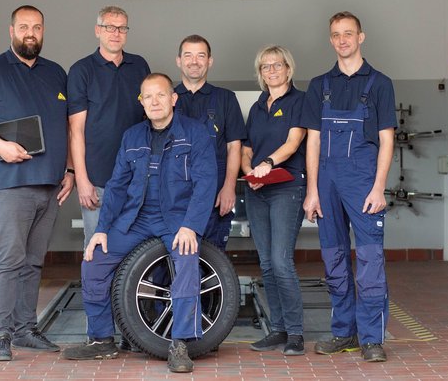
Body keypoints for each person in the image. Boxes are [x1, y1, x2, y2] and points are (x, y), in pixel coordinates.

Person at [61, 73, 217, 374]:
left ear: (173, 99)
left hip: (177, 219)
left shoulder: (195, 133)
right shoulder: (132, 136)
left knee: (186, 261)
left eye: (161, 95)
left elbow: (206, 183)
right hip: (136, 218)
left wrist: (191, 226)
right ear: (141, 102)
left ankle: (181, 343)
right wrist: (102, 229)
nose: (155, 101)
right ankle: (101, 340)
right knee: (94, 260)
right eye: (148, 96)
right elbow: (117, 186)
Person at [0, 5, 74, 361]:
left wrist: (68, 171)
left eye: (37, 27)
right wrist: (1, 147)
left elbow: (69, 128)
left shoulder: (56, 73)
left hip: (50, 186)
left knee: (34, 261)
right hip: (11, 185)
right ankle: (1, 335)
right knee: (9, 260)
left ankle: (26, 330)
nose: (31, 33)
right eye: (24, 27)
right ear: (11, 31)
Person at [301, 11, 397, 362]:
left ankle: (371, 338)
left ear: (361, 37)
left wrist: (379, 187)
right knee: (334, 259)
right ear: (331, 39)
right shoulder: (318, 85)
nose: (342, 39)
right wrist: (312, 190)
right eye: (336, 34)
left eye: (348, 33)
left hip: (362, 182)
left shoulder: (380, 83)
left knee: (370, 261)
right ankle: (343, 333)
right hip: (325, 182)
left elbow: (387, 140)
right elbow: (312, 140)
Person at [67, 6, 150, 352]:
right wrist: (82, 179)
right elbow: (76, 129)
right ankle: (100, 333)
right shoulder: (82, 71)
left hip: (138, 180)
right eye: (109, 27)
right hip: (99, 179)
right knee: (98, 259)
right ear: (97, 30)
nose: (115, 33)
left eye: (121, 28)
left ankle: (133, 332)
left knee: (135, 257)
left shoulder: (140, 67)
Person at [241, 45, 307, 356]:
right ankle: (278, 328)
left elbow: (293, 143)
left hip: (286, 187)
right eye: (265, 66)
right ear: (260, 73)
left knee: (282, 261)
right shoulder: (256, 107)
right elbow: (246, 149)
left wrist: (267, 164)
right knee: (266, 263)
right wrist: (250, 173)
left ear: (288, 68)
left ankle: (295, 333)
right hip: (258, 190)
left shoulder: (299, 101)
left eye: (277, 65)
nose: (271, 70)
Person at [174, 35, 246, 250]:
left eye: (201, 55)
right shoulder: (167, 99)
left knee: (213, 258)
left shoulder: (226, 98)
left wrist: (229, 187)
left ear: (210, 61)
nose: (194, 61)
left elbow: (234, 146)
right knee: (174, 258)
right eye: (188, 55)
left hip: (216, 192)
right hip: (176, 194)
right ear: (178, 60)